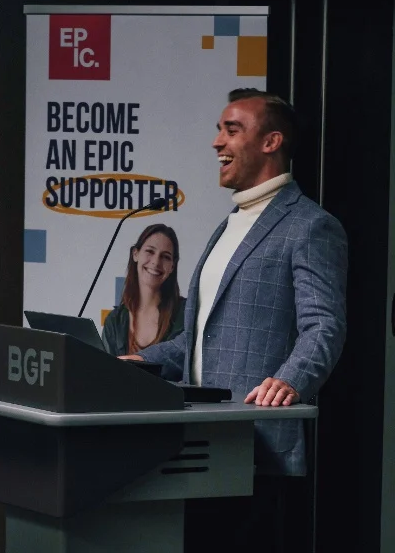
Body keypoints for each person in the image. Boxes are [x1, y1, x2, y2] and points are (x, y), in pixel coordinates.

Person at [126, 89, 348, 552]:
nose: (216, 142)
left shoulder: (310, 225)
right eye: (218, 130)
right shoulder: (227, 225)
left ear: (271, 142)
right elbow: (198, 339)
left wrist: (291, 380)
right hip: (198, 444)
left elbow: (324, 325)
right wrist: (139, 363)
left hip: (253, 443)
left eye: (231, 130)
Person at [102, 223, 186, 357]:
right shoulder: (114, 321)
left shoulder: (185, 313)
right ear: (135, 254)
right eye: (150, 251)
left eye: (165, 257)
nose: (156, 262)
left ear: (172, 266)